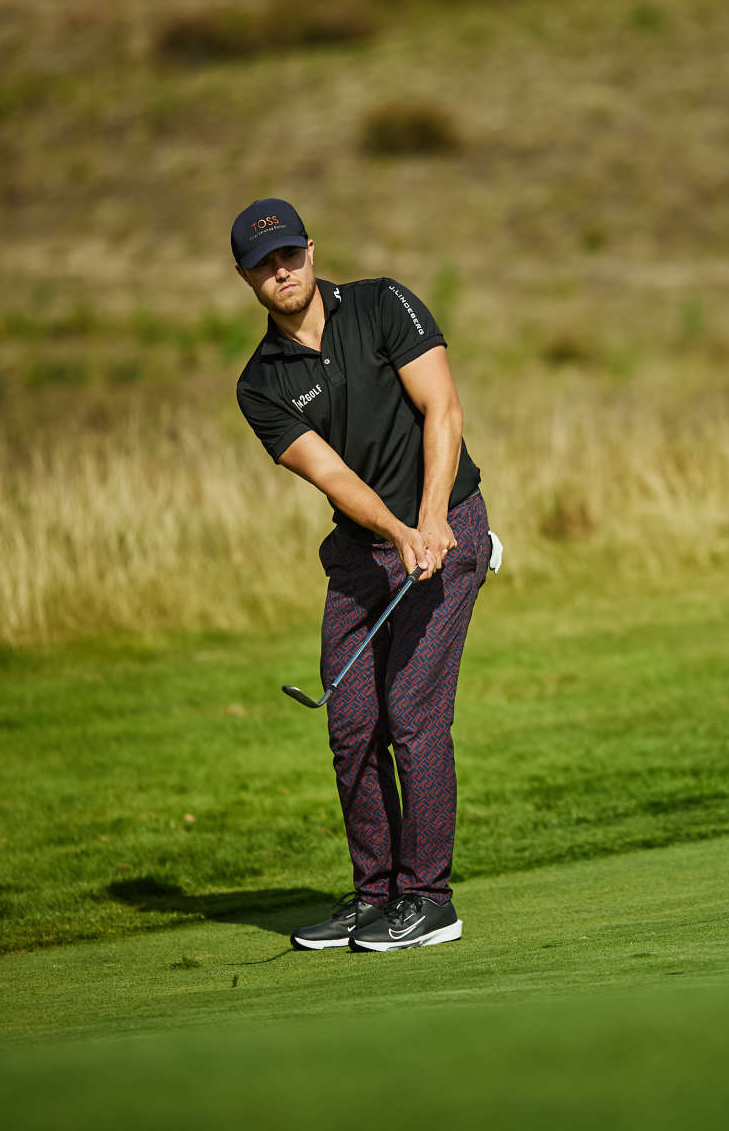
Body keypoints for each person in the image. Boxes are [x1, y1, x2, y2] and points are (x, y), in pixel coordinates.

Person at [230, 197, 491, 952]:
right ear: (246, 277)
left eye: (290, 255)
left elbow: (441, 406)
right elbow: (334, 476)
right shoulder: (262, 383)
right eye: (264, 264)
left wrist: (433, 517)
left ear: (310, 250)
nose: (282, 270)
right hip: (364, 548)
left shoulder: (383, 304)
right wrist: (396, 530)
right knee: (351, 726)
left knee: (413, 716)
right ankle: (375, 896)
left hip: (450, 524)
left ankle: (428, 900)